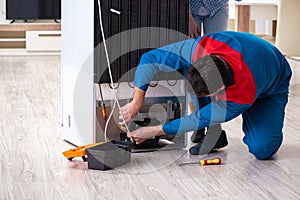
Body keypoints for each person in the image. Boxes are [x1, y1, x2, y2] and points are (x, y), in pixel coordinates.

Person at [120, 31, 292, 160]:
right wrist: (137, 101)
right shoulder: (198, 49)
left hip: (272, 81)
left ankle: (265, 121)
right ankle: (213, 134)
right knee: (199, 89)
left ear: (220, 91)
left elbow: (200, 118)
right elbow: (150, 59)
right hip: (249, 56)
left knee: (262, 149)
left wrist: (154, 131)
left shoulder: (241, 95)